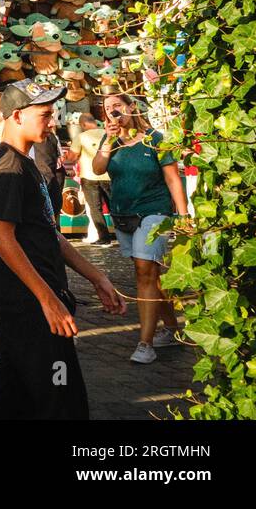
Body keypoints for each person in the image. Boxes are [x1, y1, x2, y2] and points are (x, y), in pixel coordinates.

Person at [0, 81, 127, 420]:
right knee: (62, 399)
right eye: (45, 115)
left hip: (29, 305)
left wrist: (97, 276)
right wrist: (48, 300)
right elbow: (0, 236)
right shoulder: (8, 168)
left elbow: (48, 233)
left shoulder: (23, 161)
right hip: (32, 308)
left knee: (11, 398)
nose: (53, 123)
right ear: (16, 116)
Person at [90, 92, 188, 363]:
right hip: (124, 215)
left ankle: (145, 343)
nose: (112, 111)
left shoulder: (156, 139)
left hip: (155, 212)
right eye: (107, 108)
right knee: (152, 276)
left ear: (132, 107)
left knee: (144, 271)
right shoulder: (109, 139)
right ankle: (170, 329)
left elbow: (172, 179)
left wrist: (182, 215)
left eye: (117, 106)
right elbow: (97, 168)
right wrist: (108, 140)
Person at [73, 113, 115, 245]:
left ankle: (104, 238)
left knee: (95, 209)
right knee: (114, 206)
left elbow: (72, 157)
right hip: (108, 175)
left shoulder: (80, 137)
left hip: (89, 176)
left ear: (83, 125)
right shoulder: (107, 134)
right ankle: (123, 233)